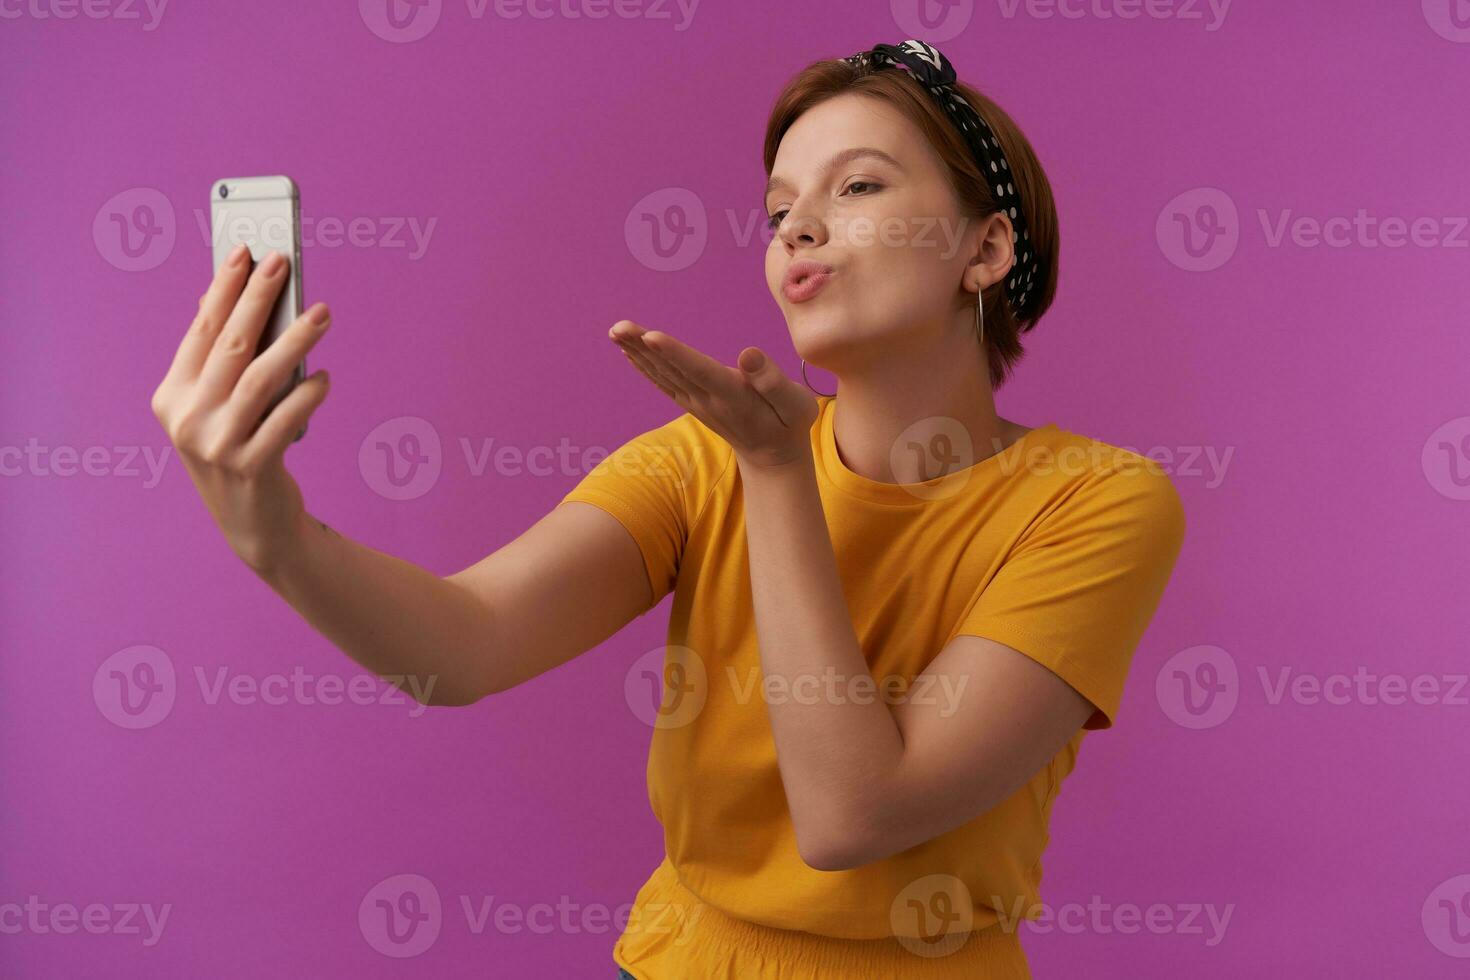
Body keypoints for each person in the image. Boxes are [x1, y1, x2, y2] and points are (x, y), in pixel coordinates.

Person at [150, 38, 1186, 980]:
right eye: (779, 212)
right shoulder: (703, 460)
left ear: (987, 249)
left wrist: (780, 476)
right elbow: (462, 646)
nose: (801, 228)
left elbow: (853, 812)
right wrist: (274, 533)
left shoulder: (1096, 502)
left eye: (859, 185)